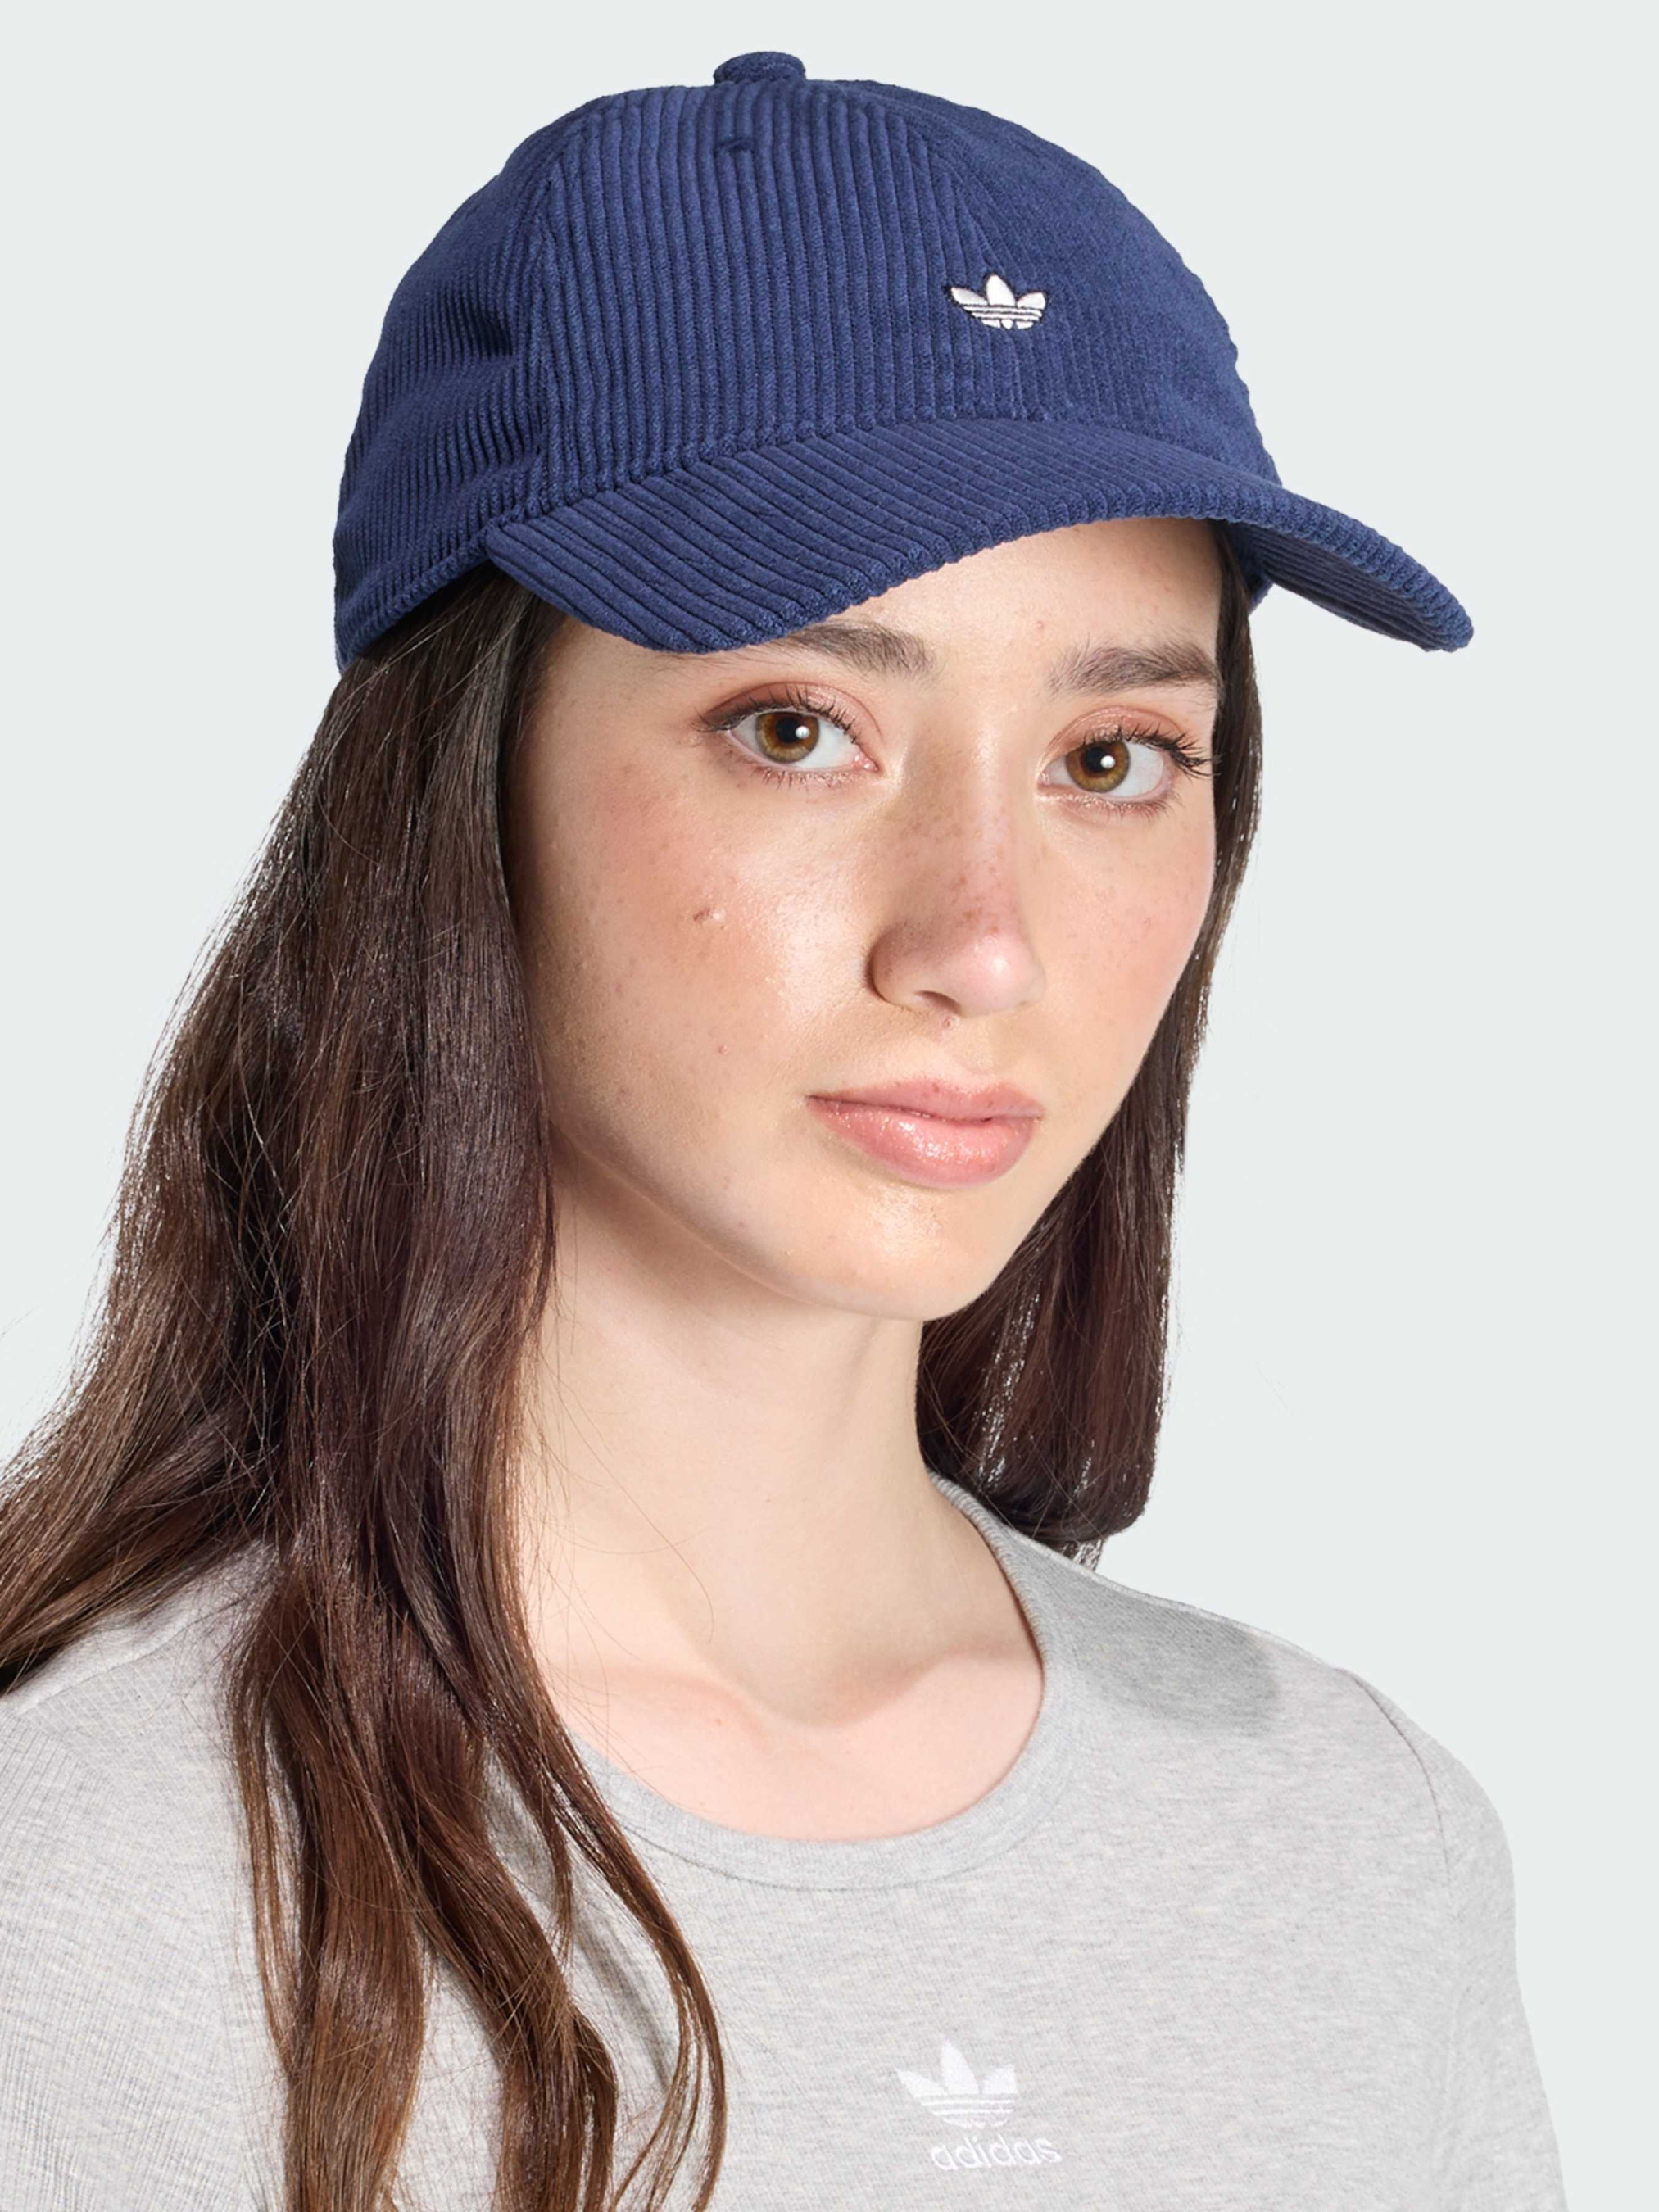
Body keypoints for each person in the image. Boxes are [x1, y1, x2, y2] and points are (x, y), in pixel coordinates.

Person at [0, 48, 1566, 2212]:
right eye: (799, 729)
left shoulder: (1354, 1850)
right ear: (460, 782)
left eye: (1111, 758)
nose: (982, 941)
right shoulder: (79, 1903)